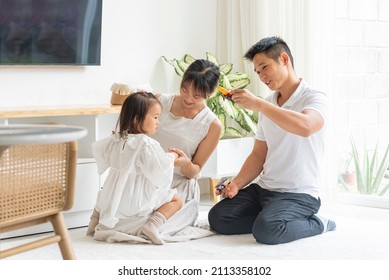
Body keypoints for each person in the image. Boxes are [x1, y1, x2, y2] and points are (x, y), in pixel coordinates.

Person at [208, 36, 336, 245]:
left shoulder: (314, 97)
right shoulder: (267, 104)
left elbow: (306, 126)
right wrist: (236, 184)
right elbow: (259, 154)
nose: (261, 76)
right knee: (218, 218)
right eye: (258, 72)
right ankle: (270, 218)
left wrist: (259, 105)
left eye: (264, 67)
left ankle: (319, 223)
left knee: (267, 231)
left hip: (298, 193)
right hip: (264, 188)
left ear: (284, 59)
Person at [87, 91, 182, 245]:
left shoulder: (116, 139)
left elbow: (100, 152)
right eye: (155, 117)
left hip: (113, 200)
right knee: (177, 199)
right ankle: (152, 225)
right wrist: (173, 157)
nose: (158, 121)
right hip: (135, 204)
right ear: (137, 119)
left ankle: (94, 221)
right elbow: (160, 168)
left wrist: (116, 140)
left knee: (104, 193)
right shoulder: (146, 144)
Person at [149, 59, 222, 230]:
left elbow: (195, 171)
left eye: (196, 96)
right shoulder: (159, 101)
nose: (188, 98)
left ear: (209, 94)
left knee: (159, 226)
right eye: (184, 89)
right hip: (147, 175)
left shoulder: (212, 125)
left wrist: (185, 163)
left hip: (178, 184)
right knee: (124, 219)